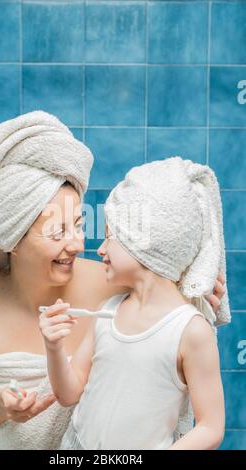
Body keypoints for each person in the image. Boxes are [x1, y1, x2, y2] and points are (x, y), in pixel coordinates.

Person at [40, 157, 230, 450]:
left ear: (146, 243)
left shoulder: (190, 332)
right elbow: (69, 393)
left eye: (110, 238)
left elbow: (210, 427)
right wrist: (53, 347)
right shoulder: (108, 311)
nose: (100, 249)